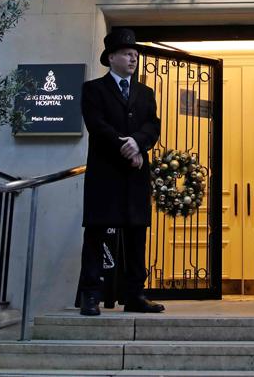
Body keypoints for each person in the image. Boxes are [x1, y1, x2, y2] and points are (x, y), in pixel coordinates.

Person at [78, 28, 164, 316]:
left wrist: (138, 143)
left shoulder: (146, 92)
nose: (133, 58)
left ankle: (135, 294)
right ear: (111, 57)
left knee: (136, 233)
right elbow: (97, 125)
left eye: (136, 54)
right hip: (106, 173)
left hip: (136, 175)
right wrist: (125, 147)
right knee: (96, 233)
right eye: (127, 53)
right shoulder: (92, 89)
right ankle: (91, 294)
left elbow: (153, 125)